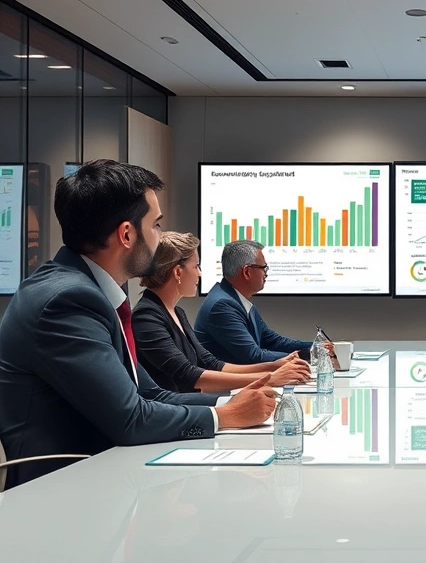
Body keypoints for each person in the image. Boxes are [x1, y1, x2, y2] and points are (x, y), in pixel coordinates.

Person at [0, 160, 275, 489]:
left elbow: (150, 394)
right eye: (156, 225)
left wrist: (233, 400)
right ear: (127, 234)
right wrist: (226, 416)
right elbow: (131, 418)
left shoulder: (88, 290)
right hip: (62, 491)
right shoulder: (67, 301)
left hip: (102, 473)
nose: (160, 237)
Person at [133, 232, 312, 393]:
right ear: (178, 272)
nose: (200, 274)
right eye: (196, 266)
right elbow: (188, 375)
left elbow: (210, 363)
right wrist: (269, 378)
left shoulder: (177, 313)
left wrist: (273, 366)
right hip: (175, 414)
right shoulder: (146, 317)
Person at [194, 240, 333, 365]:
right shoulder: (222, 306)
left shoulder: (237, 299)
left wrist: (318, 347)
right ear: (247, 272)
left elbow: (273, 341)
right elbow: (253, 356)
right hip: (227, 390)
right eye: (263, 268)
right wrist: (310, 355)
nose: (266, 273)